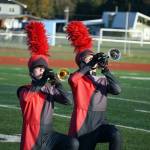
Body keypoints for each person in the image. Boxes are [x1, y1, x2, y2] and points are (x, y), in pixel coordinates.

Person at [17, 21, 79, 150]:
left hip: (48, 135)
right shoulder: (24, 89)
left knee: (72, 143)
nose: (41, 70)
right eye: (38, 68)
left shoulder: (50, 89)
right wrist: (42, 81)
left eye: (43, 68)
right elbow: (27, 98)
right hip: (32, 136)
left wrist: (58, 83)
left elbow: (69, 101)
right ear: (30, 72)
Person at [66, 21, 122, 150]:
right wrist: (91, 64)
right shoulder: (77, 78)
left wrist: (106, 69)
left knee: (115, 134)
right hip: (83, 126)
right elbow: (74, 79)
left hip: (100, 123)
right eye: (89, 58)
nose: (93, 59)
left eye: (93, 57)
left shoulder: (102, 79)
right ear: (81, 62)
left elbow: (117, 90)